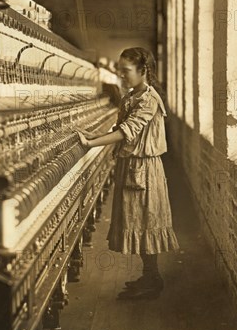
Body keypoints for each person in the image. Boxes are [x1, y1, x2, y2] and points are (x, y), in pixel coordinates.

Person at [76, 47, 180, 300]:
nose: (122, 76)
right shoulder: (134, 95)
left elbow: (127, 131)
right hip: (133, 165)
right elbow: (121, 125)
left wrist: (91, 144)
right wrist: (96, 135)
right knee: (139, 221)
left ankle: (154, 280)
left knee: (146, 222)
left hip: (144, 169)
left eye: (126, 71)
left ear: (143, 71)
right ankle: (149, 276)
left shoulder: (149, 99)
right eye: (120, 71)